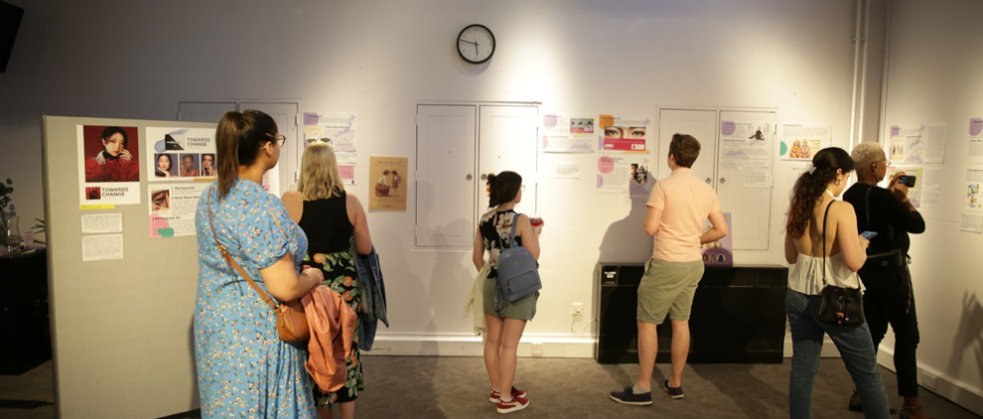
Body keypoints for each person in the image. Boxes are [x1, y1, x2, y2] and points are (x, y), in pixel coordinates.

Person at [194, 110, 323, 419]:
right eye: (278, 141)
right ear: (267, 147)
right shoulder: (261, 205)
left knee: (227, 404)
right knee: (263, 403)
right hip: (257, 331)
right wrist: (315, 277)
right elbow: (285, 287)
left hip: (216, 324)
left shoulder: (210, 197)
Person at [609, 133, 728, 406]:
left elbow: (650, 227)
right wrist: (695, 239)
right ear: (693, 158)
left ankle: (642, 388)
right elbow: (721, 229)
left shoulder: (664, 186)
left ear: (671, 157)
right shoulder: (707, 190)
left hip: (666, 263)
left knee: (647, 323)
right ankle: (675, 383)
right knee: (681, 322)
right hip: (693, 265)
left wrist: (656, 224)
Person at [783, 147, 891, 419]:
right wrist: (861, 244)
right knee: (867, 374)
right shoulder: (841, 209)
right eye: (848, 176)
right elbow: (854, 263)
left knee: (803, 370)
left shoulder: (799, 205)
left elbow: (791, 256)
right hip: (835, 298)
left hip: (797, 295)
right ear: (839, 173)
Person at [283, 142, 372, 419]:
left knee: (317, 348)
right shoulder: (351, 201)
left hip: (309, 286)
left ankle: (324, 415)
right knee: (345, 349)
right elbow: (365, 248)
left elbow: (282, 247)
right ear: (333, 166)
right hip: (345, 288)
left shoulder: (290, 200)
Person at [844, 143, 929, 419]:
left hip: (866, 273)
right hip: (892, 276)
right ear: (874, 166)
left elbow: (872, 226)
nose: (885, 167)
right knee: (907, 336)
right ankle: (912, 406)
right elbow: (917, 225)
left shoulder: (850, 194)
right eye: (884, 163)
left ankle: (861, 393)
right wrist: (902, 198)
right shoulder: (883, 197)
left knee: (873, 333)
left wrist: (890, 196)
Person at [472, 171, 542, 414]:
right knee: (509, 345)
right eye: (520, 188)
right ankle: (505, 399)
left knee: (492, 341)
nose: (521, 192)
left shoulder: (484, 219)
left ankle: (498, 388)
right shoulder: (520, 220)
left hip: (492, 284)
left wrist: (492, 274)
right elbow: (533, 255)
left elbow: (476, 258)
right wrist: (536, 233)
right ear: (514, 191)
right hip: (517, 287)